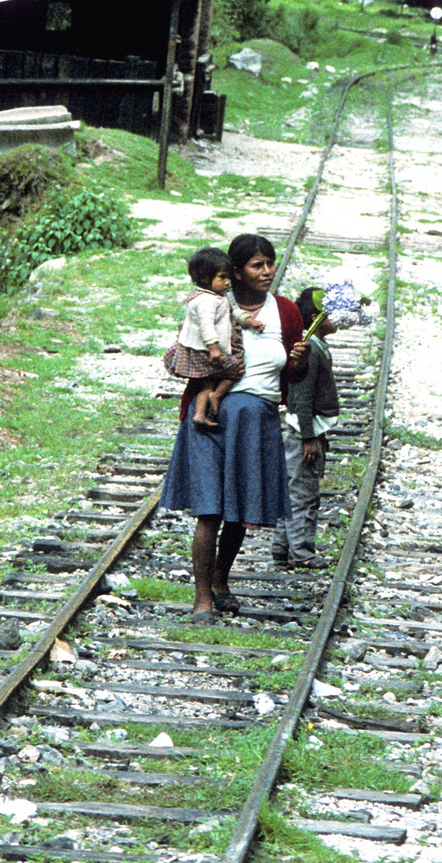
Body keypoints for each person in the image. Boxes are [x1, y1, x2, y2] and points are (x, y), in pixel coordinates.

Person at [159, 233, 308, 623]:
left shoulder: (287, 312)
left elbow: (292, 376)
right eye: (257, 265)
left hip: (255, 418)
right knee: (209, 511)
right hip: (212, 417)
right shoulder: (210, 305)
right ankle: (202, 598)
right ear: (236, 272)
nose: (267, 271)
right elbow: (189, 354)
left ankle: (221, 582)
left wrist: (301, 361)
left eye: (270, 263)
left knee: (239, 510)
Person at [272, 287, 341, 569]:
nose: (338, 319)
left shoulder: (314, 346)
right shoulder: (309, 351)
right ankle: (302, 551)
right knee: (304, 492)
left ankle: (281, 546)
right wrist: (309, 437)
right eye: (332, 314)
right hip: (305, 432)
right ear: (316, 317)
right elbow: (300, 397)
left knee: (294, 488)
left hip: (308, 430)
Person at [163, 246, 264, 429]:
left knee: (207, 382)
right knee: (236, 368)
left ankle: (200, 413)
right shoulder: (205, 301)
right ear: (204, 278)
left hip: (207, 348)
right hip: (204, 349)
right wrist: (214, 348)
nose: (227, 282)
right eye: (222, 277)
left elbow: (235, 311)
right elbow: (206, 326)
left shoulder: (219, 295)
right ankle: (217, 395)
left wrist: (249, 321)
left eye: (228, 277)